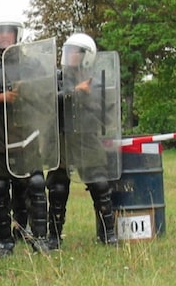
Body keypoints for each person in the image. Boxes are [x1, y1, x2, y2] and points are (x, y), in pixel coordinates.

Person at [46, 33, 120, 249]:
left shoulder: (97, 81)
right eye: (68, 52)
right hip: (63, 138)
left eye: (75, 53)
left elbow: (105, 112)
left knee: (100, 185)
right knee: (57, 187)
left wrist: (87, 95)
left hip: (88, 139)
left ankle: (108, 234)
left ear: (87, 56)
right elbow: (49, 101)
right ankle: (54, 237)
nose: (70, 57)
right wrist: (73, 92)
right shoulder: (57, 78)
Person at [0, 20, 51, 255]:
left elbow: (46, 90)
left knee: (35, 184)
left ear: (16, 35)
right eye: (0, 33)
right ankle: (5, 240)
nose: (4, 37)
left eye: (8, 33)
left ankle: (39, 237)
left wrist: (27, 89)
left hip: (27, 136)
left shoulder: (30, 63)